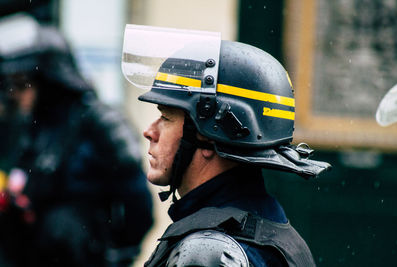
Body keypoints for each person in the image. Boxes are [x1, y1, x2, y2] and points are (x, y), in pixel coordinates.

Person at [121, 25, 331, 266]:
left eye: (166, 118)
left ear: (209, 136)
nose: (150, 132)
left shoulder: (207, 254)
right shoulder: (268, 226)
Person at [0, 14, 153, 267]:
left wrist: (119, 252)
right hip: (36, 255)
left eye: (22, 84)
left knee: (63, 222)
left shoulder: (101, 121)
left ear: (49, 81)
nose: (14, 94)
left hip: (85, 254)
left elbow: (137, 200)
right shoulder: (37, 126)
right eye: (10, 85)